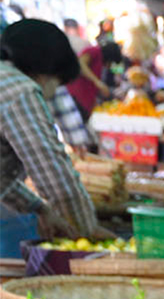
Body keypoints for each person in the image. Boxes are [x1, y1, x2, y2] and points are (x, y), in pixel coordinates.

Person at [0, 19, 109, 239]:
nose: (53, 93)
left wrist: (40, 208)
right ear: (47, 72)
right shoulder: (19, 90)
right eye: (58, 84)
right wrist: (85, 231)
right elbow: (50, 167)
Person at [65, 40, 122, 118]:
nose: (109, 65)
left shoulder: (100, 62)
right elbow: (80, 64)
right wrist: (97, 82)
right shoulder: (94, 51)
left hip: (85, 102)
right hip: (76, 96)